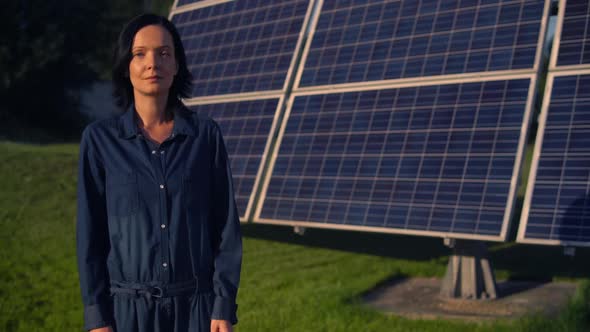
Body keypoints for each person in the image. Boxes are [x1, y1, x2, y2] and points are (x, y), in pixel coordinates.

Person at [76, 13, 242, 332]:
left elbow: (225, 227)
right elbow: (90, 235)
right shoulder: (99, 141)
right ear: (126, 65)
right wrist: (97, 317)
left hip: (197, 312)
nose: (153, 63)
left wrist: (222, 305)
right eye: (140, 54)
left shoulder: (205, 137)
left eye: (164, 53)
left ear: (177, 65)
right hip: (127, 314)